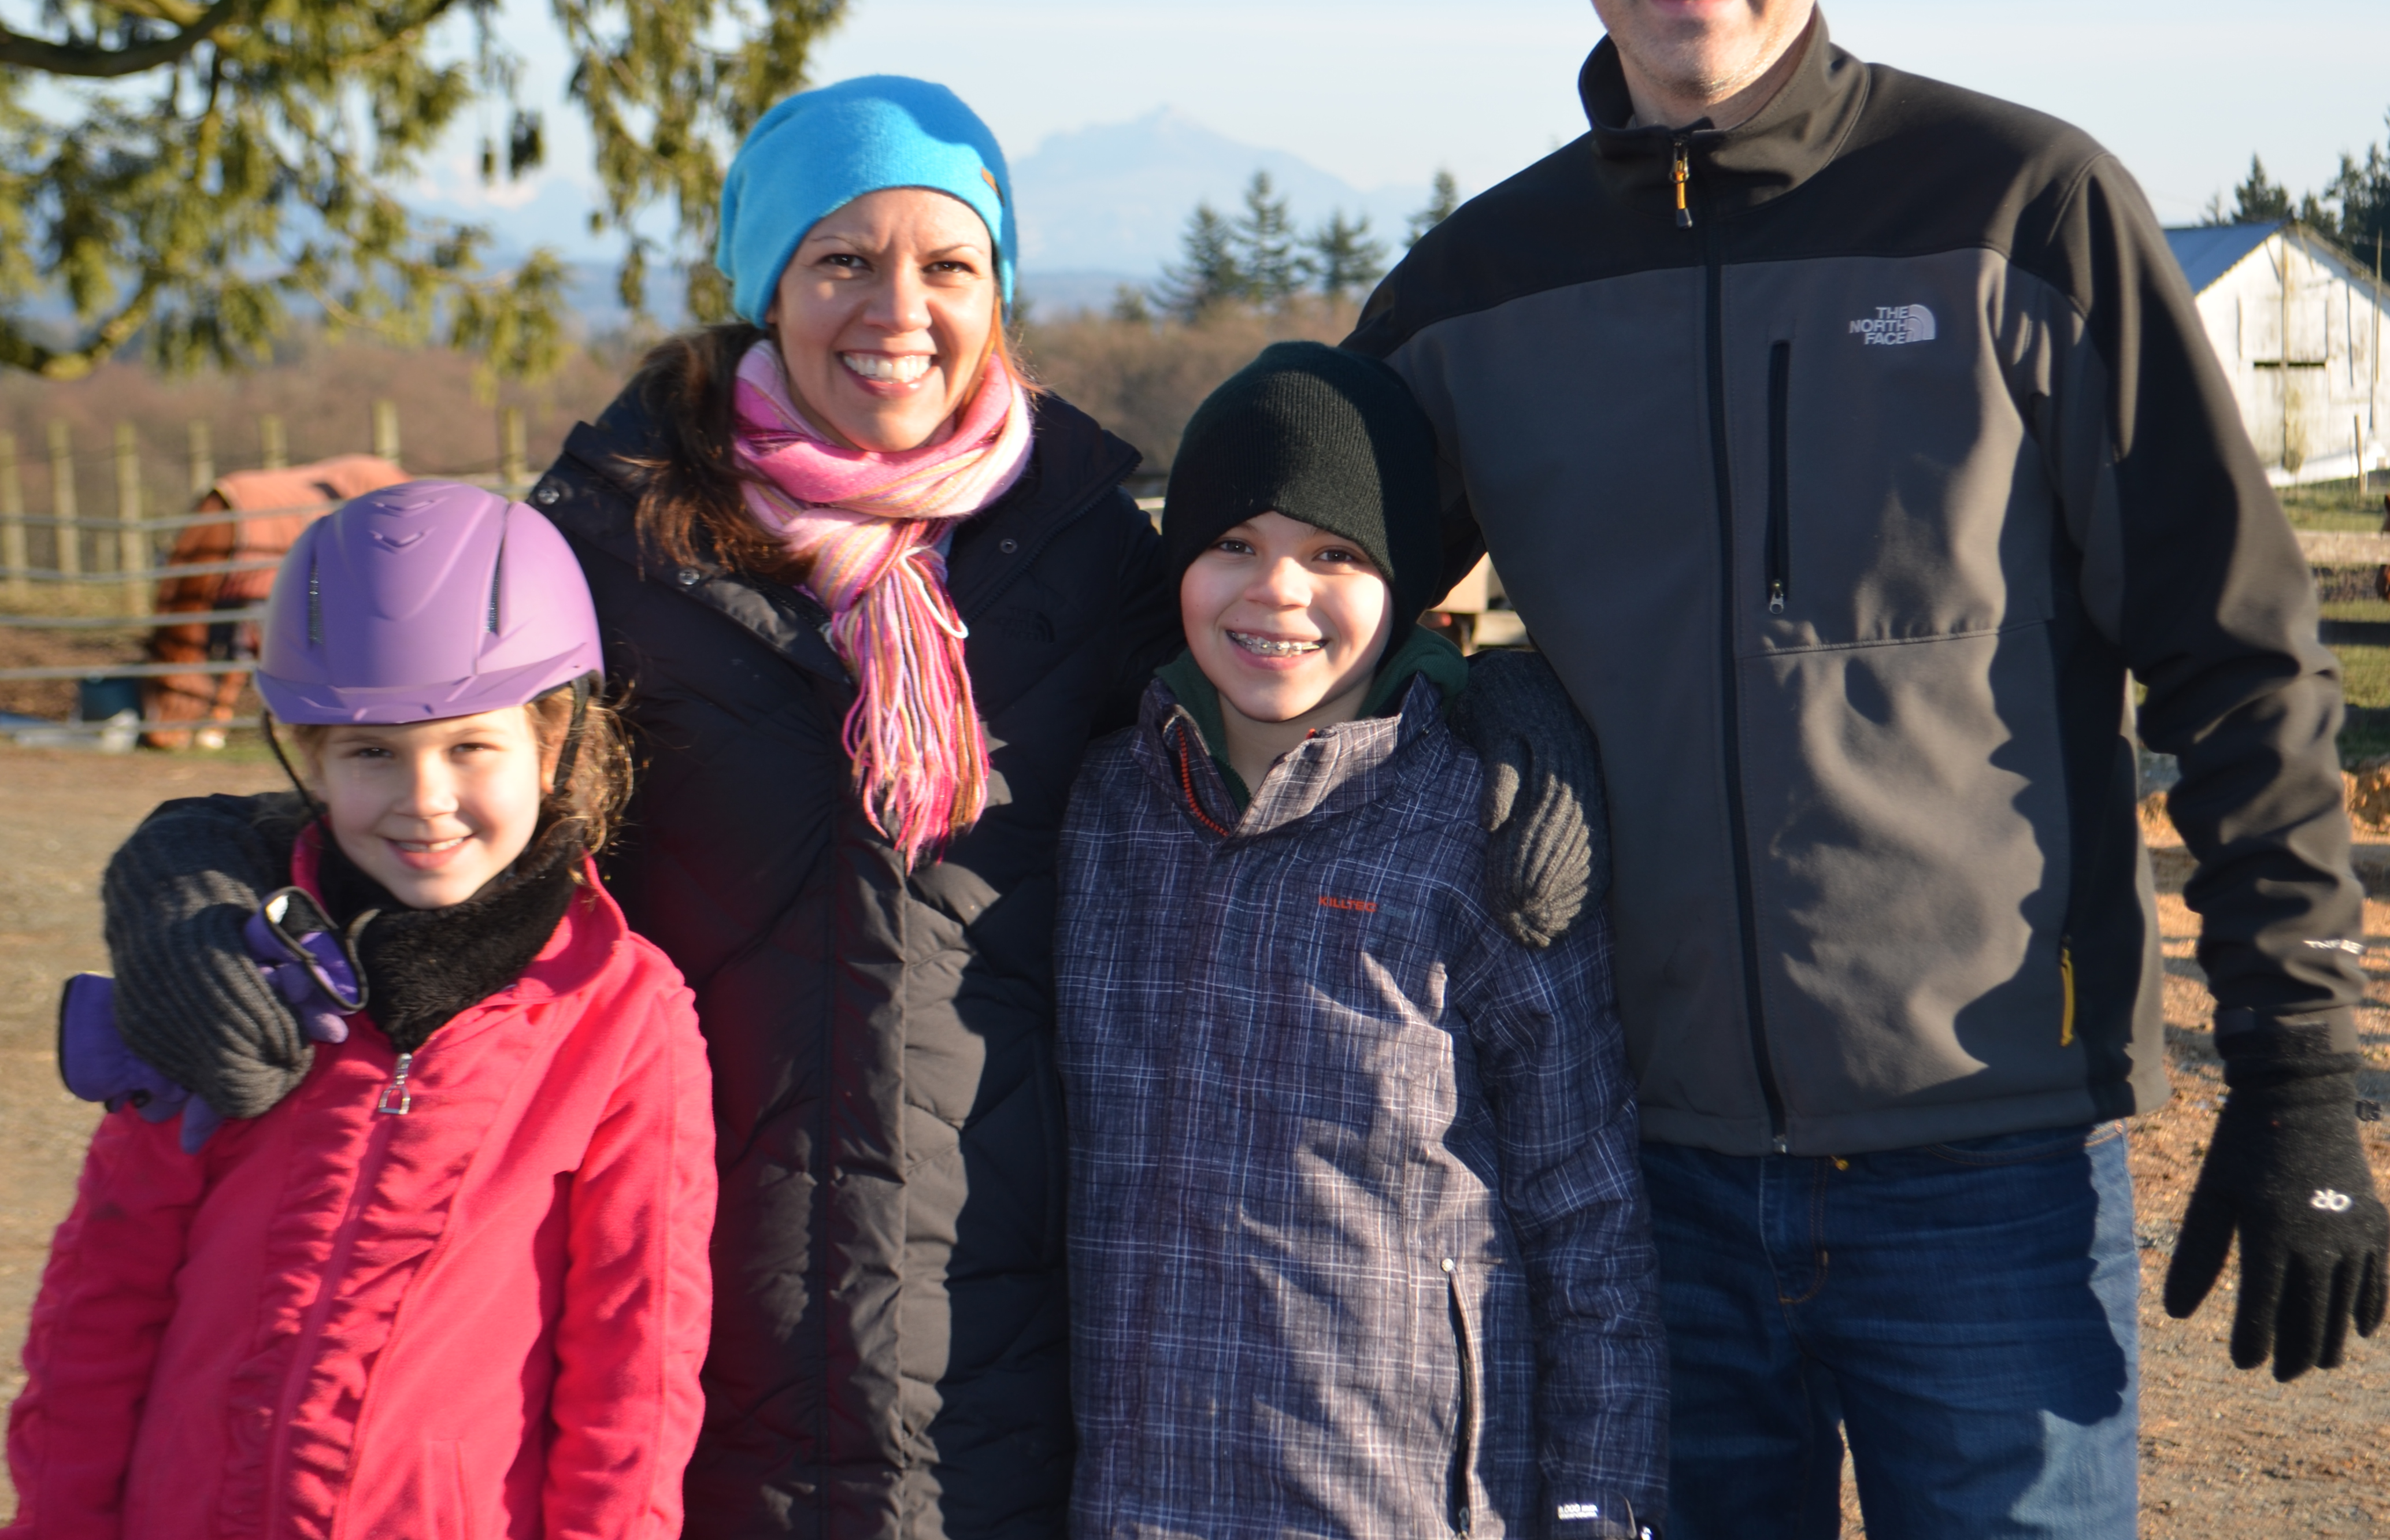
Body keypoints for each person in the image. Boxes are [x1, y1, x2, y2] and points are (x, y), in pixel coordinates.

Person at [91, 77, 1609, 1538]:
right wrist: (193, 864)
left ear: (996, 289)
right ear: (767, 282)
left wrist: (1497, 706)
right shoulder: (615, 548)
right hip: (685, 1352)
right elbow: (421, 757)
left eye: (948, 263)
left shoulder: (1079, 553)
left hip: (1011, 1380)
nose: (898, 312)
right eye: (842, 261)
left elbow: (1289, 682)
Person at [1346, 0, 2390, 1538]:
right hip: (1623, 1162)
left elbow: (2239, 659)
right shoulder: (1471, 291)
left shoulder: (2019, 210)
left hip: (1979, 1160)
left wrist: (2295, 1068)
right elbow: (1283, 613)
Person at [6, 480, 714, 1540]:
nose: (424, 798)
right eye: (372, 751)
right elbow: (104, 1287)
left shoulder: (624, 1015)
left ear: (554, 739)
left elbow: (636, 1350)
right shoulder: (226, 972)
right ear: (310, 758)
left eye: (471, 747)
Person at [1055, 344, 1665, 1540]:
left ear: (1408, 591)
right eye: (1234, 544)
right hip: (1129, 1498)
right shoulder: (1096, 818)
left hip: (1393, 1500)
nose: (1277, 591)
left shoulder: (1477, 828)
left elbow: (1585, 1208)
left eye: (1334, 554)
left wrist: (1601, 1511)